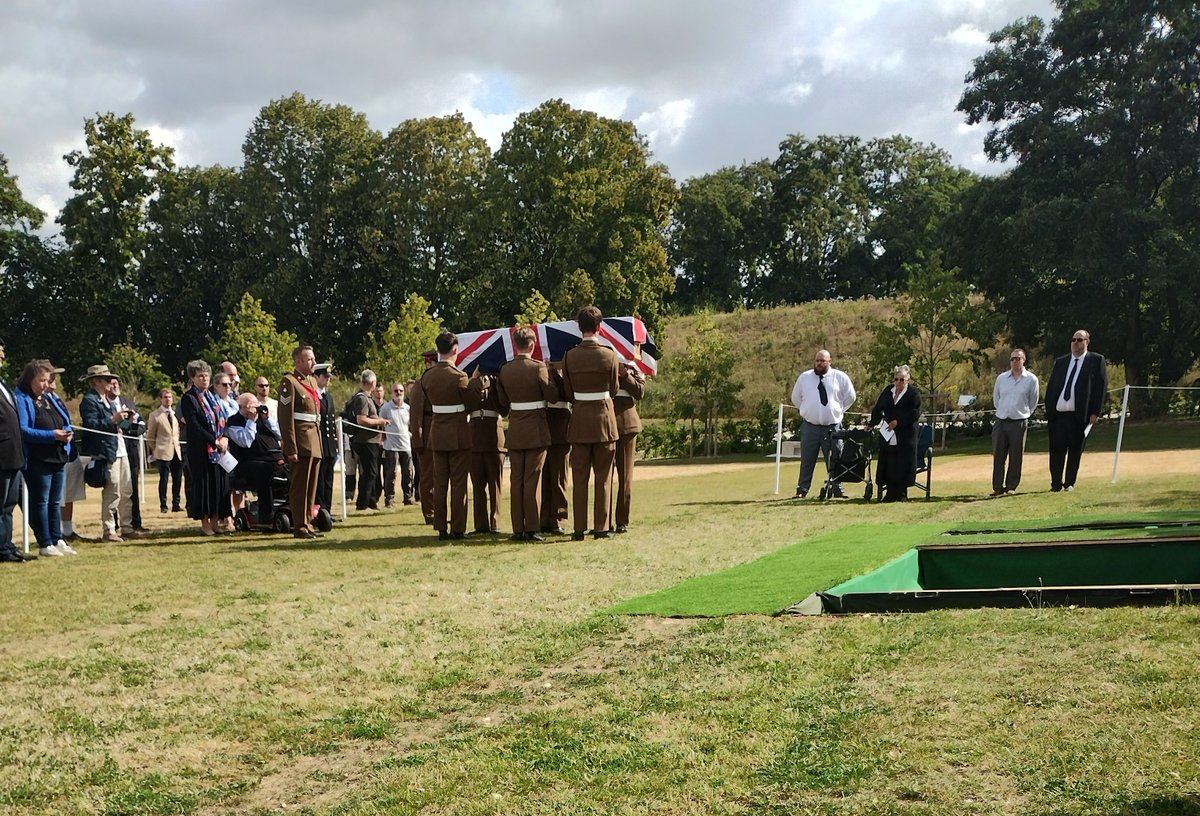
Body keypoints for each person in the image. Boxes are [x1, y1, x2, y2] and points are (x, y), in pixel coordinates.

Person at [410, 331, 482, 539]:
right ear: (455, 350)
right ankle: (458, 528)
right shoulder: (460, 377)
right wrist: (476, 382)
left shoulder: (427, 377)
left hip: (437, 435)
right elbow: (472, 402)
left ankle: (441, 526)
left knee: (440, 482)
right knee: (458, 483)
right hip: (458, 435)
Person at [562, 305, 621, 540]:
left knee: (579, 478)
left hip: (579, 422)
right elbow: (615, 389)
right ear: (599, 327)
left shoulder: (569, 356)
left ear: (579, 326)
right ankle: (601, 527)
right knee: (603, 477)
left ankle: (578, 528)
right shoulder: (609, 355)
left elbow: (568, 391)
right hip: (604, 421)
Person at [496, 326, 560, 541]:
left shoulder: (505, 370)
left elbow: (503, 403)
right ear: (533, 345)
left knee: (517, 481)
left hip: (515, 429)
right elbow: (551, 396)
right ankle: (532, 528)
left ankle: (517, 528)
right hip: (536, 430)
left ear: (515, 344)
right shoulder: (538, 367)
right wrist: (552, 376)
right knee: (533, 479)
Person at [15, 360, 76, 557]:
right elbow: (23, 430)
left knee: (55, 501)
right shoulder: (23, 399)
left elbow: (64, 421)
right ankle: (45, 542)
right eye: (41, 380)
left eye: (46, 380)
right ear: (30, 379)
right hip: (38, 458)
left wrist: (67, 432)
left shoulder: (49, 398)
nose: (45, 384)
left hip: (58, 456)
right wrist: (52, 435)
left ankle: (58, 539)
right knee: (40, 500)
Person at [79, 364, 139, 542]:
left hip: (120, 449)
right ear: (96, 381)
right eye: (107, 379)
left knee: (126, 490)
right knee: (112, 491)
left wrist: (127, 421)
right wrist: (114, 419)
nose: (110, 383)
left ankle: (127, 527)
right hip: (107, 452)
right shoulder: (89, 400)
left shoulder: (108, 400)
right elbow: (91, 425)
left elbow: (118, 428)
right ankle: (109, 530)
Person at [1045, 329, 1107, 493]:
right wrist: (1049, 410)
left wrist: (1095, 412)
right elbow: (1052, 387)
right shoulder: (1062, 361)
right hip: (1058, 415)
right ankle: (1055, 483)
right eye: (1073, 340)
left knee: (1074, 450)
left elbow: (1100, 388)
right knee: (1056, 449)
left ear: (1087, 342)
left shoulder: (1096, 360)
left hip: (1079, 415)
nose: (1076, 343)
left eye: (1080, 340)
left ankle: (1069, 483)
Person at [790, 349, 857, 499]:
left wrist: (838, 411)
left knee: (835, 459)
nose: (819, 364)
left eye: (822, 361)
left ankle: (837, 489)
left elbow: (850, 397)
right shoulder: (805, 377)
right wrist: (807, 410)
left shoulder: (840, 377)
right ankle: (802, 490)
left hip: (832, 427)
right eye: (817, 361)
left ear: (829, 361)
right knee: (807, 460)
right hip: (810, 427)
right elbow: (795, 398)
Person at [180, 360, 231, 536]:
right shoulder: (189, 399)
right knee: (204, 487)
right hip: (201, 450)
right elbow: (195, 425)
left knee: (218, 486)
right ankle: (205, 524)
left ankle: (216, 522)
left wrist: (223, 438)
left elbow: (223, 419)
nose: (204, 379)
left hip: (218, 451)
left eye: (206, 375)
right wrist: (213, 441)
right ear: (192, 378)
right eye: (200, 376)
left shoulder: (211, 397)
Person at [278, 345, 325, 538]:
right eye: (309, 359)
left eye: (313, 359)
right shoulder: (288, 382)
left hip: (314, 439)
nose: (313, 362)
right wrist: (291, 447)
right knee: (300, 487)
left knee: (311, 486)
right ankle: (299, 525)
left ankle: (308, 521)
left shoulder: (312, 382)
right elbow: (285, 417)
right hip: (301, 441)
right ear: (298, 362)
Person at [225, 393, 285, 524]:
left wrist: (267, 418)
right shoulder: (234, 421)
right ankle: (266, 515)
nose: (255, 409)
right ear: (241, 407)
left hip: (273, 459)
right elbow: (245, 442)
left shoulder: (262, 419)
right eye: (251, 406)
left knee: (294, 468)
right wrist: (251, 421)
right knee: (265, 469)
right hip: (247, 464)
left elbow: (281, 434)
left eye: (256, 405)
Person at [866, 364, 922, 503]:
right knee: (889, 462)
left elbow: (915, 412)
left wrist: (898, 422)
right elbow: (878, 408)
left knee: (903, 463)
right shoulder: (888, 391)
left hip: (905, 434)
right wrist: (872, 424)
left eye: (902, 380)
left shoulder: (913, 393)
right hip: (888, 433)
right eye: (896, 379)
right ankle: (889, 493)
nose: (898, 383)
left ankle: (902, 493)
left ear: (907, 380)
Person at [991, 348, 1040, 497]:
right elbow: (996, 399)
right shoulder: (1001, 378)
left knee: (1016, 456)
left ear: (1024, 360)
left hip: (1018, 423)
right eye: (1012, 359)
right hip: (1001, 421)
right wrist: (1003, 412)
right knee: (998, 455)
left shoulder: (1031, 379)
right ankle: (997, 486)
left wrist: (1023, 414)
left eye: (1018, 359)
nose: (1015, 362)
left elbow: (1033, 401)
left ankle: (1011, 486)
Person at [0, 346, 30, 562]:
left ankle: (7, 545)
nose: (2, 355)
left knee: (8, 505)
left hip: (13, 454)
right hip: (2, 454)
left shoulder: (3, 384)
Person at [613, 359, 646, 533]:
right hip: (603, 420)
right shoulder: (601, 356)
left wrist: (624, 374)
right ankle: (601, 523)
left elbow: (640, 391)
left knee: (625, 476)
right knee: (603, 478)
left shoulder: (635, 363)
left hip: (626, 423)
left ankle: (621, 520)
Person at [469, 372, 505, 534]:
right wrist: (475, 381)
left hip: (494, 440)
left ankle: (495, 522)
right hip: (475, 439)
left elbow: (504, 407)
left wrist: (496, 382)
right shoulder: (471, 383)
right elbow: (468, 404)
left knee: (495, 484)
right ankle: (481, 525)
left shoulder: (497, 383)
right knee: (478, 486)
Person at [348, 369, 388, 512]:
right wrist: (380, 421)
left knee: (372, 472)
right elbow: (361, 419)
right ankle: (363, 503)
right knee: (370, 472)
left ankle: (371, 500)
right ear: (372, 383)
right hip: (365, 441)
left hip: (371, 442)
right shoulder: (362, 399)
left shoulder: (368, 398)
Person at [112, 376, 148, 533]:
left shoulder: (128, 402)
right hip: (116, 450)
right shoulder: (108, 405)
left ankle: (136, 523)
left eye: (116, 383)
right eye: (111, 383)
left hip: (131, 451)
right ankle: (114, 525)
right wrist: (128, 426)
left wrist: (131, 427)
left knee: (132, 488)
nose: (114, 386)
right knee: (114, 490)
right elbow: (118, 424)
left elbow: (142, 424)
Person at [408, 351, 438, 525]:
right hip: (427, 434)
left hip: (439, 431)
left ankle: (438, 510)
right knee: (428, 476)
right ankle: (429, 512)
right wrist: (418, 440)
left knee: (438, 475)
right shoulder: (421, 384)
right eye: (431, 363)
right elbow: (415, 415)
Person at [540, 367, 570, 535]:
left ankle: (557, 517)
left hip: (559, 426)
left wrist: (554, 374)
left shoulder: (565, 370)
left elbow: (568, 394)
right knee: (543, 478)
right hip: (541, 423)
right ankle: (543, 518)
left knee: (559, 476)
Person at [146, 387, 184, 513]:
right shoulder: (155, 415)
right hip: (163, 452)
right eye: (165, 397)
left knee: (177, 479)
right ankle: (163, 505)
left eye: (170, 397)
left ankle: (176, 504)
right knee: (164, 479)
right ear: (161, 399)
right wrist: (155, 449)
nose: (168, 400)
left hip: (176, 451)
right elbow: (150, 436)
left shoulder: (174, 415)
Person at [378, 382, 414, 507]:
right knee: (391, 473)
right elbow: (381, 426)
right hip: (391, 446)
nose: (398, 393)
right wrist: (382, 441)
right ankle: (389, 499)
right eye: (396, 391)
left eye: (400, 391)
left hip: (406, 445)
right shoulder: (386, 408)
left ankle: (408, 498)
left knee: (408, 473)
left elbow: (410, 426)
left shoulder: (408, 408)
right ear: (391, 393)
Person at [313, 363, 338, 515]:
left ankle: (327, 509)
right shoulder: (314, 396)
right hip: (319, 444)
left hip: (329, 446)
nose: (327, 380)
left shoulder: (327, 396)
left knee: (329, 479)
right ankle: (320, 509)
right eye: (324, 376)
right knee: (320, 480)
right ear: (316, 376)